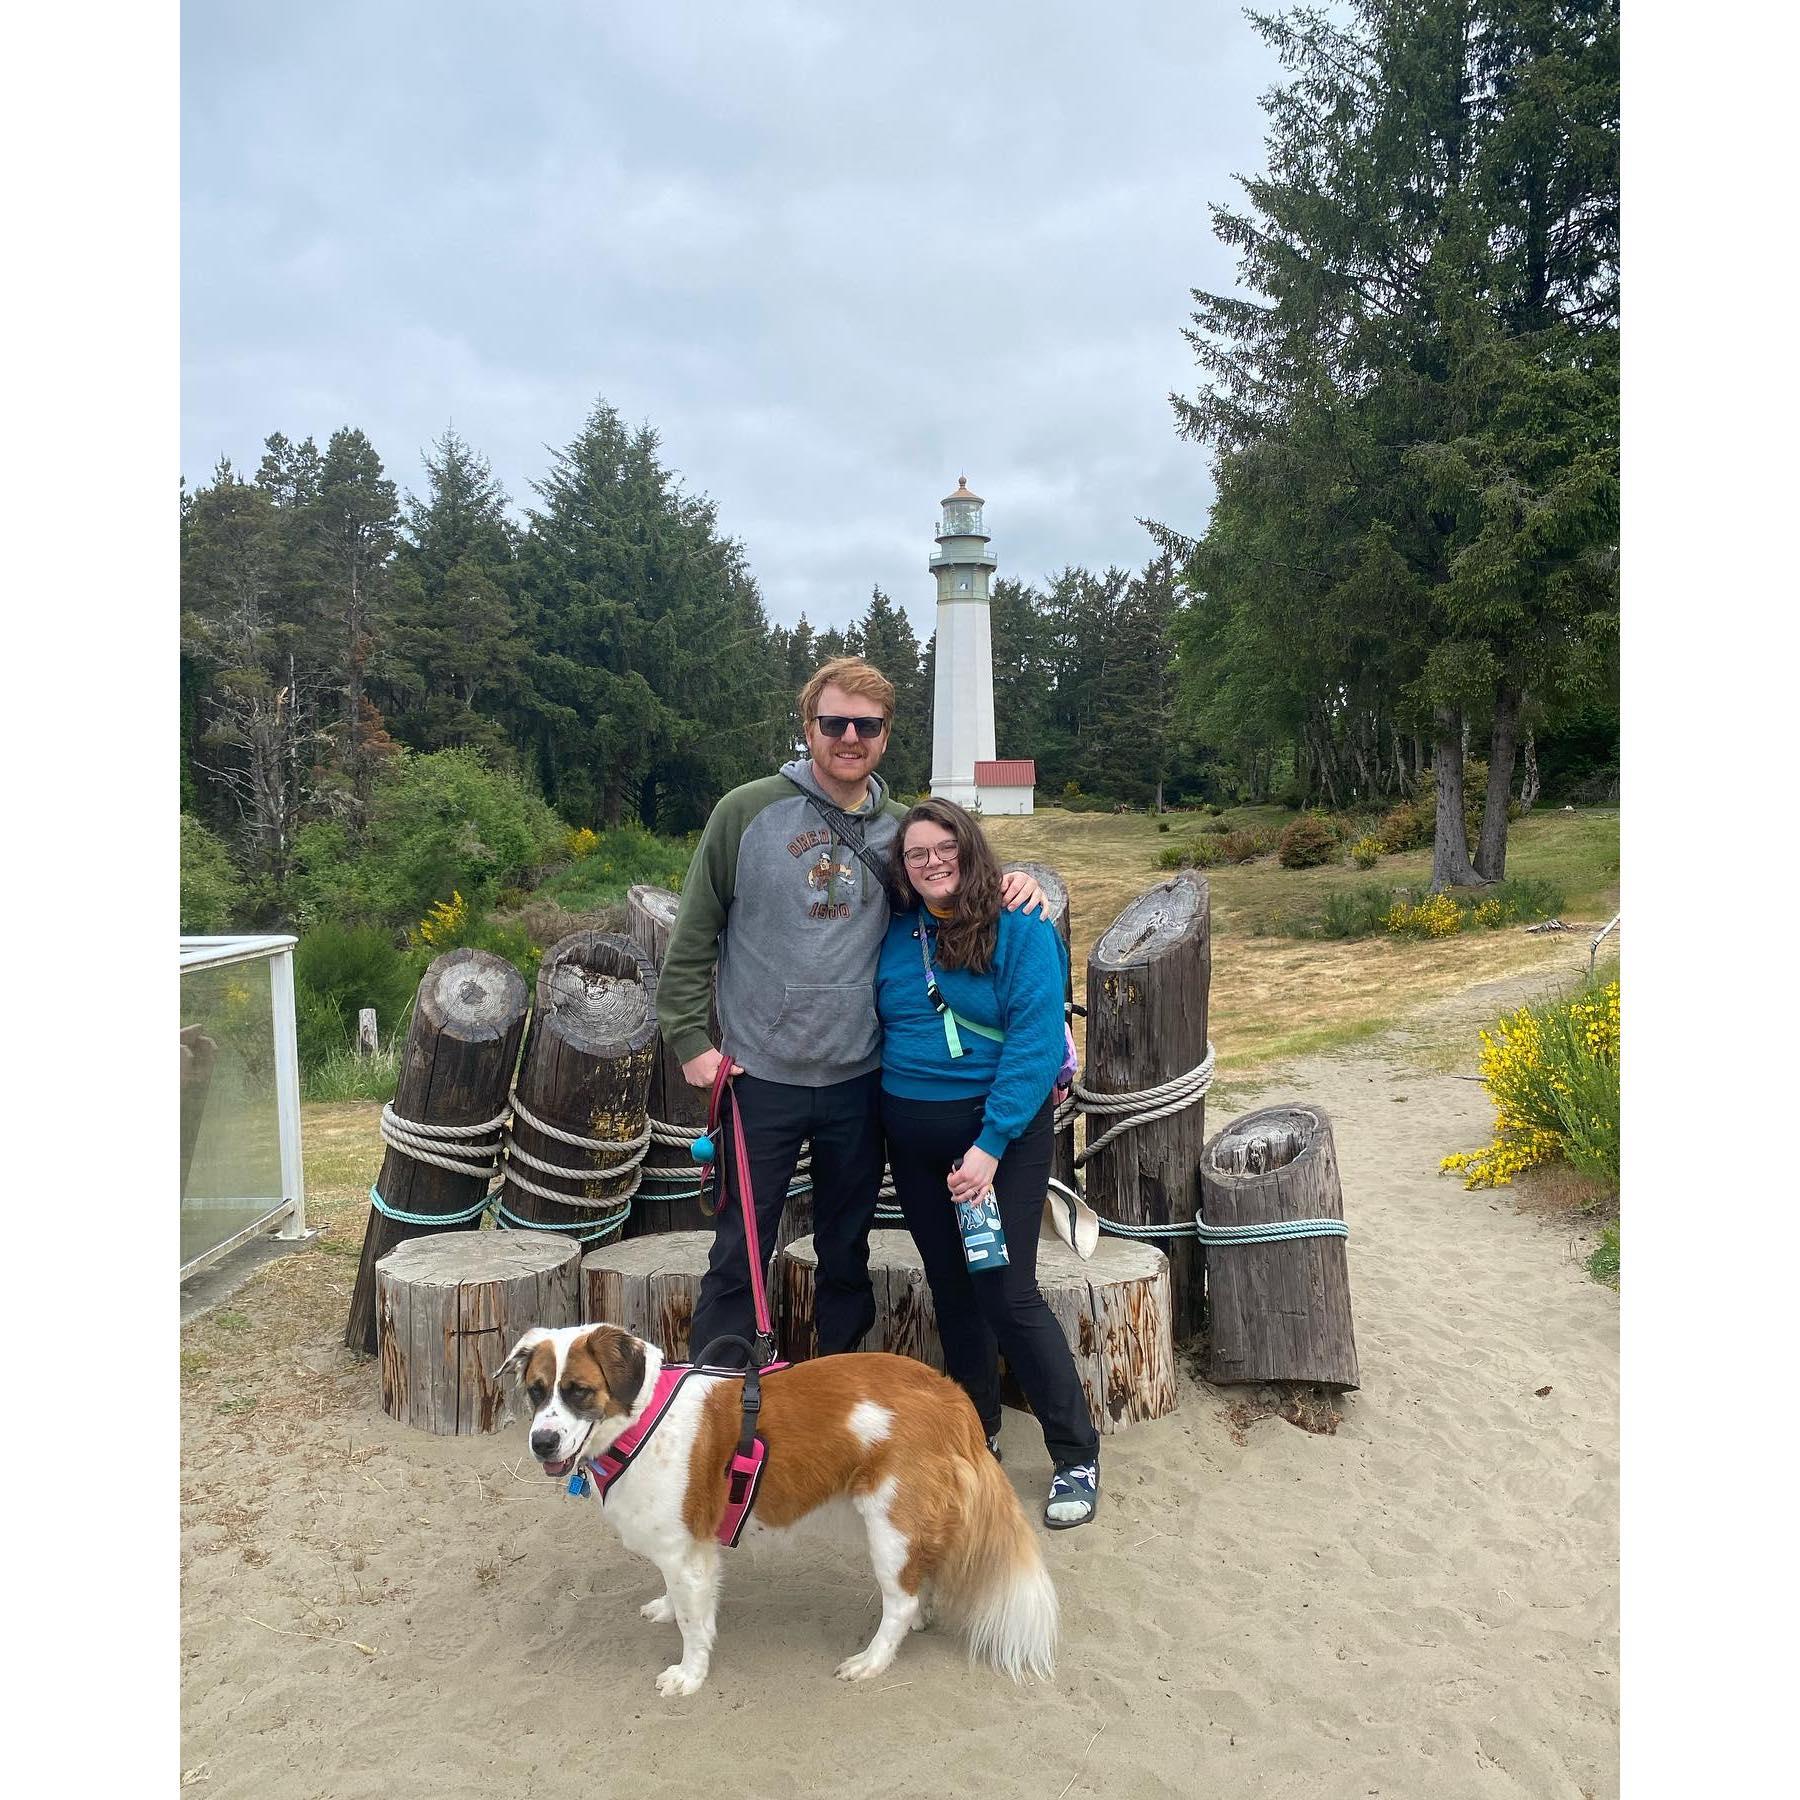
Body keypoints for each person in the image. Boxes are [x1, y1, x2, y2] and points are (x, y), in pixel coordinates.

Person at [656, 657, 1047, 1361]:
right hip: (758, 1075)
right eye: (833, 722)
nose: (849, 737)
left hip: (859, 1080)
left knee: (845, 1245)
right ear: (808, 728)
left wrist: (1016, 881)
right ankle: (717, 1388)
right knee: (741, 1244)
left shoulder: (901, 831)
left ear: (886, 736)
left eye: (866, 725)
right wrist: (690, 1039)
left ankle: (835, 1380)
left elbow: (953, 886)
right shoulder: (743, 812)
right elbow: (694, 933)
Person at [876, 797, 1102, 1529]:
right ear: (903, 869)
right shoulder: (896, 930)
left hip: (992, 1139)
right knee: (952, 1288)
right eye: (918, 854)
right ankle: (979, 1435)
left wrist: (990, 1146)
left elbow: (1037, 1042)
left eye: (947, 848)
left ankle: (1075, 1452)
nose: (934, 862)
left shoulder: (1021, 928)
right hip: (912, 1141)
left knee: (1007, 1293)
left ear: (971, 850)